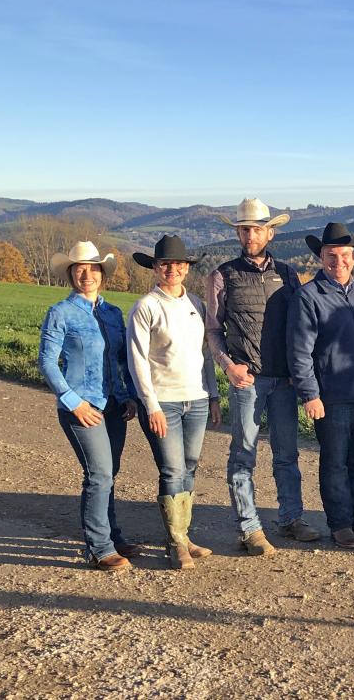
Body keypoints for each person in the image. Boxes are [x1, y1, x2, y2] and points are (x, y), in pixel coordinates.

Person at [206, 198, 318, 558]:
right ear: (237, 232)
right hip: (247, 381)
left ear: (269, 232)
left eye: (256, 228)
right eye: (244, 229)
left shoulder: (286, 274)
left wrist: (299, 374)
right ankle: (249, 527)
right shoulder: (222, 274)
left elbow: (300, 327)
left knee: (287, 455)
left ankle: (291, 518)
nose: (249, 234)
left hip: (283, 381)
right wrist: (228, 366)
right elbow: (212, 329)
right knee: (244, 455)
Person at [288, 223, 354, 549]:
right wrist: (310, 394)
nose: (339, 261)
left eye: (345, 255)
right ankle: (340, 524)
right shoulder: (308, 296)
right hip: (332, 397)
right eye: (331, 256)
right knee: (335, 462)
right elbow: (299, 350)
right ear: (321, 256)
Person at [39, 242, 140, 571]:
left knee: (110, 473)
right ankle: (99, 547)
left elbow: (120, 360)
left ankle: (112, 534)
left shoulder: (112, 313)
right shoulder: (60, 312)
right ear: (70, 274)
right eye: (79, 268)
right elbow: (47, 362)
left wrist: (127, 397)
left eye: (92, 268)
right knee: (98, 474)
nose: (86, 274)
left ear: (102, 273)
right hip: (81, 406)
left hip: (113, 405)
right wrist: (73, 402)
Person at [127, 235, 221, 570]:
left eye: (179, 264)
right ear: (155, 267)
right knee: (172, 469)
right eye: (165, 263)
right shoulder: (145, 307)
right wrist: (150, 405)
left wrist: (213, 395)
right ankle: (175, 542)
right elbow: (137, 360)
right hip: (163, 401)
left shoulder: (196, 303)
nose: (172, 269)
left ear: (187, 268)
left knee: (190, 466)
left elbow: (205, 355)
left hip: (195, 399)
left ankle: (184, 534)